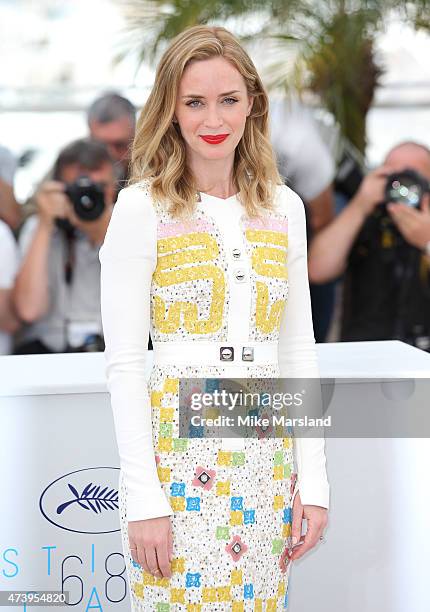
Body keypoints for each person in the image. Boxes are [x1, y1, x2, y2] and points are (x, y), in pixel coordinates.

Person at [100, 25, 329, 610]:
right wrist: (143, 500)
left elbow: (297, 351)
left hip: (266, 450)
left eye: (228, 99)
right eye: (194, 102)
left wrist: (315, 483)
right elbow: (126, 363)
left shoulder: (285, 207)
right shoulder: (139, 207)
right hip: (177, 459)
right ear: (171, 110)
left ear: (252, 103)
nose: (212, 119)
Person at [308, 141, 430, 350]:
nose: (403, 187)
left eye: (413, 176)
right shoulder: (363, 218)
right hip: (363, 355)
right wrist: (360, 203)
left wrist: (427, 241)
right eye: (394, 177)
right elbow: (317, 270)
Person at [12, 138, 116, 354]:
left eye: (100, 188)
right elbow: (29, 310)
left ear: (114, 187)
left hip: (113, 351)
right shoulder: (40, 227)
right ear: (60, 188)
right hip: (52, 354)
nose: (88, 199)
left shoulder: (128, 224)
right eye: (79, 190)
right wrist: (45, 224)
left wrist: (101, 231)